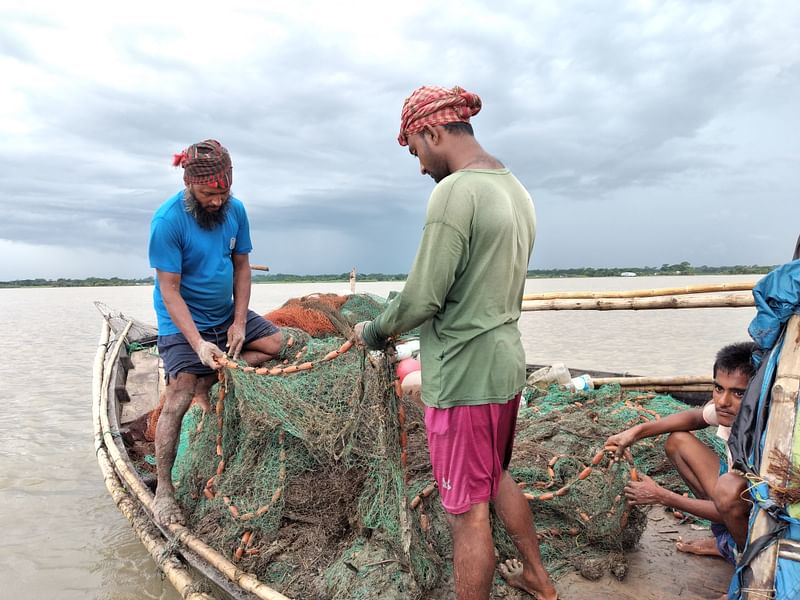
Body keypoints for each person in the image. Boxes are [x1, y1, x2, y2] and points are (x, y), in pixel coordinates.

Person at [353, 86, 557, 600]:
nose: (420, 166)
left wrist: (373, 331)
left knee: (466, 515)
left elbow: (422, 297)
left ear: (433, 131)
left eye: (416, 151)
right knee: (494, 475)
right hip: (506, 365)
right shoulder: (515, 189)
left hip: (464, 376)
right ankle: (537, 576)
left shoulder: (455, 192)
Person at [148, 139, 282, 526]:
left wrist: (239, 322)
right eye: (209, 194)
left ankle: (215, 375)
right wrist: (198, 344)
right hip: (183, 321)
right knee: (179, 395)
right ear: (190, 183)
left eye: (223, 193)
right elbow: (170, 291)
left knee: (278, 345)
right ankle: (164, 491)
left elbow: (242, 267)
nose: (218, 201)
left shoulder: (235, 210)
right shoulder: (167, 222)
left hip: (225, 314)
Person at [604, 341, 757, 563]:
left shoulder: (765, 435)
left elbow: (733, 506)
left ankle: (748, 562)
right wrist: (635, 433)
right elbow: (695, 417)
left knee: (728, 491)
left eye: (738, 393)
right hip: (736, 499)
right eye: (718, 388)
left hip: (763, 517)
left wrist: (662, 496)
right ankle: (729, 540)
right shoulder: (731, 410)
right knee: (678, 441)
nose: (723, 402)